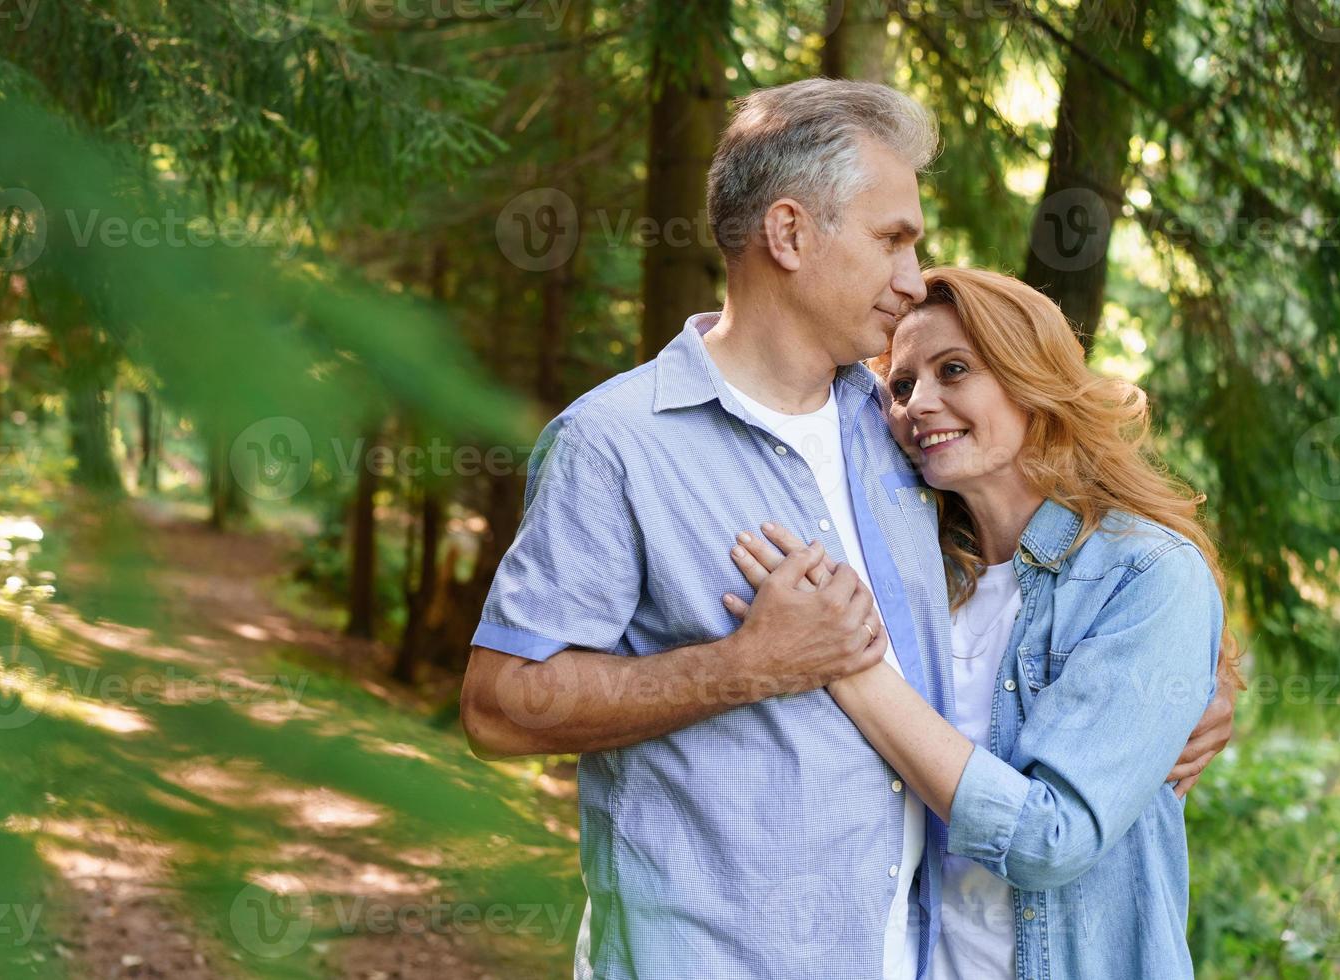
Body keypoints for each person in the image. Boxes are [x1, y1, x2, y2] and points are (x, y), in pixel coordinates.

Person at [461, 78, 1231, 980]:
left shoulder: (901, 435)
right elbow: (497, 706)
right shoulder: (615, 444)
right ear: (788, 233)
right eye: (892, 240)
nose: (910, 280)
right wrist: (744, 667)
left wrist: (1189, 689)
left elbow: (1048, 594)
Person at [722, 266, 1240, 980]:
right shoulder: (912, 580)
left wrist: (848, 664)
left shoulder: (1145, 574)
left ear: (1031, 379)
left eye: (954, 369)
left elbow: (1049, 840)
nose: (918, 404)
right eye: (900, 386)